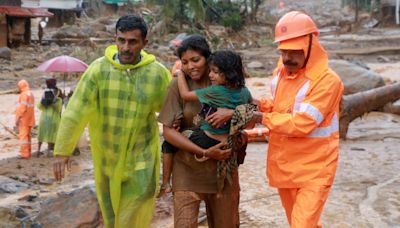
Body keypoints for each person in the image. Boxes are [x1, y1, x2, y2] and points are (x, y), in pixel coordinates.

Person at [52, 15, 170, 227]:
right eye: (121, 40)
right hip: (107, 160)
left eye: (133, 42)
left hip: (141, 159)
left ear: (145, 43)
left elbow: (173, 112)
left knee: (132, 214)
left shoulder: (157, 74)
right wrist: (62, 150)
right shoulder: (98, 71)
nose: (126, 47)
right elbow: (76, 110)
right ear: (114, 39)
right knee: (111, 217)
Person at [249, 11, 344, 227]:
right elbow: (281, 107)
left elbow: (302, 123)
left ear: (311, 46)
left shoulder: (328, 82)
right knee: (299, 223)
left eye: (294, 52)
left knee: (302, 225)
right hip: (286, 165)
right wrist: (258, 104)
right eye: (283, 51)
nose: (287, 58)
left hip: (315, 169)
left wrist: (261, 117)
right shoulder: (282, 71)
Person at [158, 35, 240, 228]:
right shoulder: (178, 85)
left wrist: (232, 113)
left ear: (208, 59)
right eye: (184, 62)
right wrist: (203, 152)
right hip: (187, 170)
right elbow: (168, 132)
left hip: (222, 173)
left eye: (196, 60)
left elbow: (253, 116)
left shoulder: (226, 83)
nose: (190, 67)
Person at [158, 50, 253, 197]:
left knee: (170, 142)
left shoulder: (216, 91)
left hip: (207, 139)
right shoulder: (244, 92)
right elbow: (252, 110)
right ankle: (240, 156)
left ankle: (165, 183)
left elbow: (185, 95)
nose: (210, 75)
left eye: (215, 72)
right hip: (229, 141)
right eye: (211, 71)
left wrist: (180, 75)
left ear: (227, 74)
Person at [37, 78, 63, 157]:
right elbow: (58, 109)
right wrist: (54, 101)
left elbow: (39, 106)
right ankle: (49, 150)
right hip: (54, 119)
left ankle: (38, 150)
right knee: (53, 134)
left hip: (44, 118)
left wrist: (44, 101)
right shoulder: (58, 99)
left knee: (42, 134)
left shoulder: (45, 94)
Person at [15, 79, 35, 159]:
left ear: (21, 86)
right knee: (28, 137)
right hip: (30, 118)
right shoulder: (31, 94)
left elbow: (22, 108)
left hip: (24, 119)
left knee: (23, 137)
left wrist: (17, 118)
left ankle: (24, 154)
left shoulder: (23, 94)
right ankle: (28, 153)